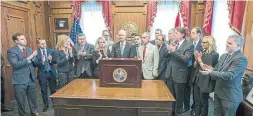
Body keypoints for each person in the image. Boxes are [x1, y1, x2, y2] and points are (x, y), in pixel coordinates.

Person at [200, 35, 248, 116]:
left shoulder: (241, 58)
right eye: (226, 42)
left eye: (229, 43)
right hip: (219, 92)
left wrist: (211, 72)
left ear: (238, 46)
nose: (226, 44)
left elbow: (230, 75)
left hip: (230, 96)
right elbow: (217, 69)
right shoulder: (224, 55)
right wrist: (211, 69)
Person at [7, 33, 40, 116]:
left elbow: (35, 64)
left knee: (33, 99)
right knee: (21, 101)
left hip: (31, 78)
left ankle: (34, 112)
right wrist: (31, 56)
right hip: (19, 80)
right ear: (16, 41)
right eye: (22, 39)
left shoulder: (29, 49)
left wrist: (35, 58)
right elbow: (16, 65)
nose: (25, 40)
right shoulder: (11, 51)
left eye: (25, 38)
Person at [165, 27, 194, 115]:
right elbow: (166, 55)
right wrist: (169, 51)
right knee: (170, 96)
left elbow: (186, 59)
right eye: (174, 33)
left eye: (176, 33)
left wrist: (174, 51)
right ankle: (171, 112)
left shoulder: (189, 45)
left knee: (179, 97)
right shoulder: (174, 42)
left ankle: (178, 112)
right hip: (170, 74)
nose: (174, 35)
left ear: (182, 34)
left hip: (180, 75)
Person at [191, 36, 219, 116]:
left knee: (203, 102)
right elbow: (195, 66)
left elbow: (205, 68)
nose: (201, 44)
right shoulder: (203, 52)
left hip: (205, 82)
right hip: (197, 79)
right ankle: (197, 114)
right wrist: (197, 59)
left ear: (209, 43)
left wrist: (199, 60)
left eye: (204, 42)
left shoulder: (214, 54)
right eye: (201, 42)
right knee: (196, 101)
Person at [33, 38, 57, 112]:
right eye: (42, 43)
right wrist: (42, 62)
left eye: (44, 43)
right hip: (42, 74)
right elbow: (35, 64)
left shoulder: (51, 51)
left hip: (51, 72)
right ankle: (46, 105)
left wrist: (50, 59)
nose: (44, 44)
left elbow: (55, 61)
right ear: (38, 44)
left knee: (53, 89)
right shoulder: (36, 52)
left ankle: (54, 104)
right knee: (44, 90)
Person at [187, 27, 204, 115]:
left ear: (198, 34)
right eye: (191, 33)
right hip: (190, 70)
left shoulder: (202, 45)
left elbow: (200, 60)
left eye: (193, 33)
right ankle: (193, 107)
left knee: (198, 94)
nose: (191, 34)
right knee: (193, 92)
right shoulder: (191, 43)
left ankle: (197, 110)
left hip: (198, 72)